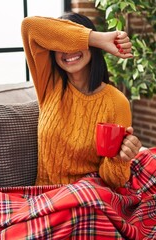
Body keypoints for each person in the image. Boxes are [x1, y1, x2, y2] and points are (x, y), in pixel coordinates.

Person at [21, 12, 142, 189]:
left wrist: (120, 159)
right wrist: (98, 38)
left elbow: (113, 181)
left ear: (91, 48)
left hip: (87, 197)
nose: (68, 50)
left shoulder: (117, 102)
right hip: (44, 198)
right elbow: (29, 26)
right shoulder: (49, 82)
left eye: (75, 42)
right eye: (61, 44)